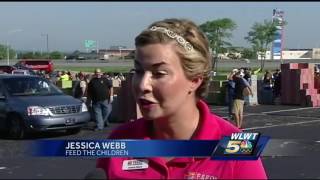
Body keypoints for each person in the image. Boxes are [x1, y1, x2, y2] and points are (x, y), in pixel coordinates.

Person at [96, 18, 267, 179]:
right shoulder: (120, 139)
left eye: (159, 73)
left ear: (194, 80)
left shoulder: (238, 147)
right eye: (139, 71)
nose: (142, 85)